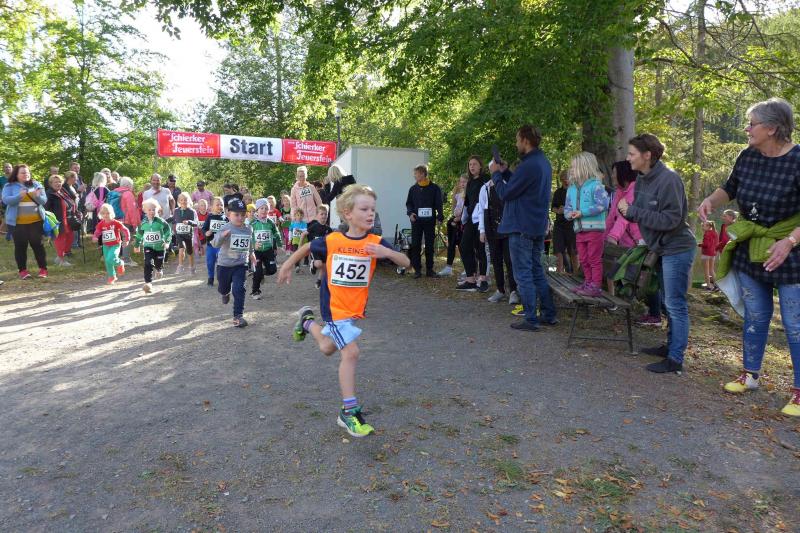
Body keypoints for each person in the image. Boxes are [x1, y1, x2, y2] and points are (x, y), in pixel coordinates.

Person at [278, 184, 411, 437]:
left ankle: (306, 322)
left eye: (373, 209)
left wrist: (387, 252)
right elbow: (308, 247)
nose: (370, 213)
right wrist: (287, 264)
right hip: (333, 308)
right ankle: (348, 412)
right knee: (351, 353)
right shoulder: (334, 240)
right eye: (364, 209)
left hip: (352, 311)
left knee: (327, 347)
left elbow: (406, 262)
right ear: (348, 213)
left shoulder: (375, 242)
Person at [698, 97, 800, 416]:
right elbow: (730, 188)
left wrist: (789, 241)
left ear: (772, 128)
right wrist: (710, 201)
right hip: (751, 248)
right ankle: (750, 375)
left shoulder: (797, 160)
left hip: (791, 251)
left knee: (795, 323)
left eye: (751, 123)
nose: (747, 129)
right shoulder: (747, 156)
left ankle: (799, 392)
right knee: (755, 315)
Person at [618, 133, 697, 374]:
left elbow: (672, 219)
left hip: (677, 248)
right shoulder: (642, 179)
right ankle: (670, 346)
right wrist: (627, 212)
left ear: (647, 155)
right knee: (667, 302)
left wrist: (633, 212)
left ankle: (675, 359)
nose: (628, 158)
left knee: (675, 303)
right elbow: (642, 213)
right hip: (660, 249)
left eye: (632, 154)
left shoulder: (669, 179)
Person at [488, 125, 557, 331]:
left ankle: (530, 318)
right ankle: (548, 314)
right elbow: (521, 187)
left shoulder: (528, 165)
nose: (516, 143)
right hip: (536, 226)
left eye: (518, 140)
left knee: (523, 274)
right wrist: (506, 172)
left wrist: (495, 175)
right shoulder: (542, 162)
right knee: (536, 271)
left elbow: (506, 193)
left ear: (526, 140)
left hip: (521, 226)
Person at [564, 152, 610, 297]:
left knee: (593, 259)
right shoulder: (571, 189)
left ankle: (595, 286)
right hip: (579, 230)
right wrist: (569, 214)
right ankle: (588, 282)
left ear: (584, 167)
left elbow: (603, 205)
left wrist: (582, 212)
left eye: (574, 167)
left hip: (595, 230)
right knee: (583, 258)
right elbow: (567, 208)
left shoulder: (596, 186)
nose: (571, 170)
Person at [476, 175, 519, 304]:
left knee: (509, 260)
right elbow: (481, 210)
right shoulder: (485, 188)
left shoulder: (508, 184)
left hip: (507, 229)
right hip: (491, 228)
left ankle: (514, 291)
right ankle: (500, 290)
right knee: (496, 260)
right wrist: (482, 230)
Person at [211, 199, 253, 328]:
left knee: (239, 289)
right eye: (236, 215)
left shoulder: (248, 229)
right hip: (224, 265)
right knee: (223, 288)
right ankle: (225, 293)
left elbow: (249, 243)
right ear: (229, 214)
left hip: (240, 264)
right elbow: (214, 244)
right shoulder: (225, 228)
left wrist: (252, 254)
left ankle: (238, 316)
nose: (240, 218)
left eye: (243, 214)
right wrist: (222, 236)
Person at [2, 164, 49, 279]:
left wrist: (38, 196)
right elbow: (6, 200)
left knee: (38, 245)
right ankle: (23, 271)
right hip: (17, 223)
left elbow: (44, 201)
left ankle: (43, 269)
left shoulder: (36, 184)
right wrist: (19, 196)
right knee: (20, 247)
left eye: (27, 172)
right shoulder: (9, 185)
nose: (26, 174)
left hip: (36, 222)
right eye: (23, 172)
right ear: (16, 174)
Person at [456, 156, 490, 292]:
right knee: (464, 246)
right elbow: (467, 203)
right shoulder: (469, 183)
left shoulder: (486, 180)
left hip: (484, 218)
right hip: (471, 219)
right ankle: (470, 278)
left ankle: (483, 280)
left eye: (475, 164)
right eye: (470, 164)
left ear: (480, 166)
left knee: (481, 249)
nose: (472, 167)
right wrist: (462, 217)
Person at [405, 164, 444, 278]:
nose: (414, 176)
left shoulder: (435, 188)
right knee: (416, 245)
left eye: (416, 174)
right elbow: (409, 203)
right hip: (416, 221)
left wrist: (440, 217)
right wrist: (410, 213)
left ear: (423, 174)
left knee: (430, 245)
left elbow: (439, 203)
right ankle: (417, 269)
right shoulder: (413, 189)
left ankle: (429, 270)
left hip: (429, 221)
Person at [133, 199, 172, 293]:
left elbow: (168, 232)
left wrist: (167, 242)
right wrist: (137, 245)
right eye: (149, 210)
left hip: (160, 247)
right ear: (145, 211)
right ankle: (148, 283)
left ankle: (159, 269)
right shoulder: (143, 223)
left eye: (153, 209)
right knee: (148, 263)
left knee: (159, 263)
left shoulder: (161, 222)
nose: (151, 212)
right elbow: (139, 235)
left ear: (157, 210)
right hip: (148, 247)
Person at [250, 198, 283, 300]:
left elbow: (276, 233)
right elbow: (248, 236)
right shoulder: (253, 223)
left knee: (272, 270)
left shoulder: (270, 222)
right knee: (257, 272)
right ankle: (255, 291)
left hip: (268, 250)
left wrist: (279, 244)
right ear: (257, 210)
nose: (264, 210)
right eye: (262, 208)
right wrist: (254, 245)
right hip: (257, 252)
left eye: (266, 208)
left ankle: (262, 273)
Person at [92, 203, 130, 284]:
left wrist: (126, 240)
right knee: (107, 261)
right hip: (106, 245)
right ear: (100, 214)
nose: (106, 215)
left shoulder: (116, 223)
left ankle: (120, 263)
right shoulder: (101, 224)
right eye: (103, 213)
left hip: (115, 245)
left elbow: (125, 230)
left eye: (108, 213)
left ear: (112, 213)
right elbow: (97, 232)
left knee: (111, 258)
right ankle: (112, 276)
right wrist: (95, 237)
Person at [45, 175, 78, 267]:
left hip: (68, 219)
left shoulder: (62, 191)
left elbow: (72, 199)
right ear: (51, 184)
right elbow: (46, 208)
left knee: (70, 238)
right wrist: (51, 221)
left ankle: (59, 258)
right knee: (61, 240)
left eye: (59, 182)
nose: (58, 183)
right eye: (55, 182)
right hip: (57, 221)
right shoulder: (49, 194)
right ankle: (61, 260)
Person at [551, 170, 579, 273]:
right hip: (559, 225)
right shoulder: (558, 192)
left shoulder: (576, 191)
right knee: (558, 251)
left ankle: (577, 274)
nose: (565, 181)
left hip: (572, 224)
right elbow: (553, 207)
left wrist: (569, 210)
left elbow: (580, 208)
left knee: (573, 251)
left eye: (567, 179)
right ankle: (559, 274)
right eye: (563, 179)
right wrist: (558, 210)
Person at [438, 175, 466, 276]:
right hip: (455, 221)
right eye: (461, 182)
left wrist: (459, 218)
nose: (462, 184)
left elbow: (467, 210)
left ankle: (468, 268)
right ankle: (448, 267)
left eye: (465, 182)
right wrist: (455, 219)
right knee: (451, 244)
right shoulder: (458, 195)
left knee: (463, 246)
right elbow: (455, 209)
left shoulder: (469, 195)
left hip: (464, 223)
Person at [305, 204, 334, 288]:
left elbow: (333, 240)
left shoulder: (329, 229)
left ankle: (319, 280)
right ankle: (314, 264)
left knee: (324, 266)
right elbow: (304, 234)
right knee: (319, 264)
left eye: (326, 214)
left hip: (324, 250)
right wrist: (300, 246)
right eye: (322, 214)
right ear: (317, 215)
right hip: (315, 250)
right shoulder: (314, 226)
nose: (324, 216)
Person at [115, 177, 140, 266]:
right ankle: (126, 259)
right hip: (126, 220)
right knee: (126, 238)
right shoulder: (128, 194)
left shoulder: (115, 192)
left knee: (117, 239)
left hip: (115, 219)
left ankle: (115, 258)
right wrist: (135, 224)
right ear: (129, 185)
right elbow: (132, 210)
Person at [201, 197, 227, 286]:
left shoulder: (225, 218)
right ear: (212, 207)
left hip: (222, 246)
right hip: (211, 245)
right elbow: (204, 228)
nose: (220, 206)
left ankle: (221, 278)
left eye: (221, 205)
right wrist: (206, 233)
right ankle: (210, 277)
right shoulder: (209, 217)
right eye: (217, 205)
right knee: (210, 262)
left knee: (221, 262)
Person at [173, 192, 199, 275]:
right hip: (179, 234)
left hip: (188, 234)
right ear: (178, 201)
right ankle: (180, 266)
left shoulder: (192, 211)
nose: (183, 201)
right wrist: (165, 221)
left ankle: (192, 267)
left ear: (188, 201)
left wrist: (189, 222)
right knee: (181, 248)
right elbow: (173, 219)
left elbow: (196, 223)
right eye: (181, 200)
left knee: (189, 252)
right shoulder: (176, 210)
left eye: (185, 200)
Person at [699, 220, 719, 290]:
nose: (702, 227)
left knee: (706, 271)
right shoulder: (715, 233)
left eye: (703, 226)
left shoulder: (706, 233)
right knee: (711, 270)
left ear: (708, 226)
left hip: (706, 254)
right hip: (713, 253)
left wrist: (699, 244)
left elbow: (706, 245)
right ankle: (716, 285)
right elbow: (716, 244)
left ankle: (709, 286)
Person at [1, 162, 11, 240]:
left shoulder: (16, 178)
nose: (8, 168)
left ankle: (9, 234)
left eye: (9, 167)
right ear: (3, 169)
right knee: (7, 216)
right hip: (4, 200)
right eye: (6, 167)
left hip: (15, 200)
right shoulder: (1, 179)